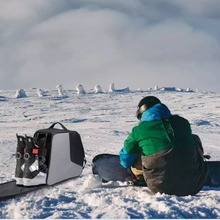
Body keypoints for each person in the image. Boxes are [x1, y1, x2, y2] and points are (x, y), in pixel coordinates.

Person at [119, 96, 208, 196]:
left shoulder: (138, 130)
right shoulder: (183, 122)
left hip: (159, 187)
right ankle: (194, 162)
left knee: (138, 151)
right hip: (194, 184)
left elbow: (125, 160)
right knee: (194, 138)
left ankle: (141, 176)